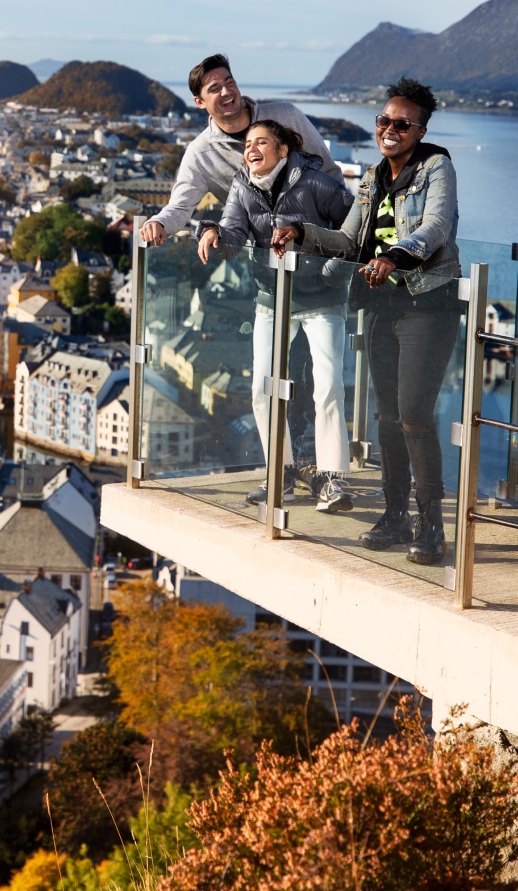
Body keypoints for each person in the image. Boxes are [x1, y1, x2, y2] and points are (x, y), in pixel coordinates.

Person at [291, 78, 460, 564]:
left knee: (414, 417)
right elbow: (348, 242)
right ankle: (394, 515)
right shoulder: (371, 179)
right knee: (387, 417)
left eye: (402, 124)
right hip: (383, 308)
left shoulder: (436, 167)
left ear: (420, 129)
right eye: (384, 120)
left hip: (428, 305)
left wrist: (395, 256)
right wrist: (303, 232)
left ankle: (432, 527)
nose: (390, 129)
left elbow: (436, 227)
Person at [201, 120, 356, 511]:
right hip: (272, 296)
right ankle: (281, 473)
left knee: (328, 387)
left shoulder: (316, 183)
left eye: (261, 142)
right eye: (247, 143)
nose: (251, 149)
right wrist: (212, 232)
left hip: (322, 298)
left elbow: (356, 231)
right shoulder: (242, 185)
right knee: (262, 389)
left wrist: (330, 273)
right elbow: (235, 233)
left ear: (283, 150)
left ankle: (333, 479)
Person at [135, 54, 336, 248]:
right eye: (214, 88)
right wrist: (159, 223)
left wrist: (339, 241)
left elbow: (330, 173)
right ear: (199, 102)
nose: (226, 92)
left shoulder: (286, 116)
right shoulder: (201, 153)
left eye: (229, 82)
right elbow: (180, 207)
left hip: (319, 249)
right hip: (264, 262)